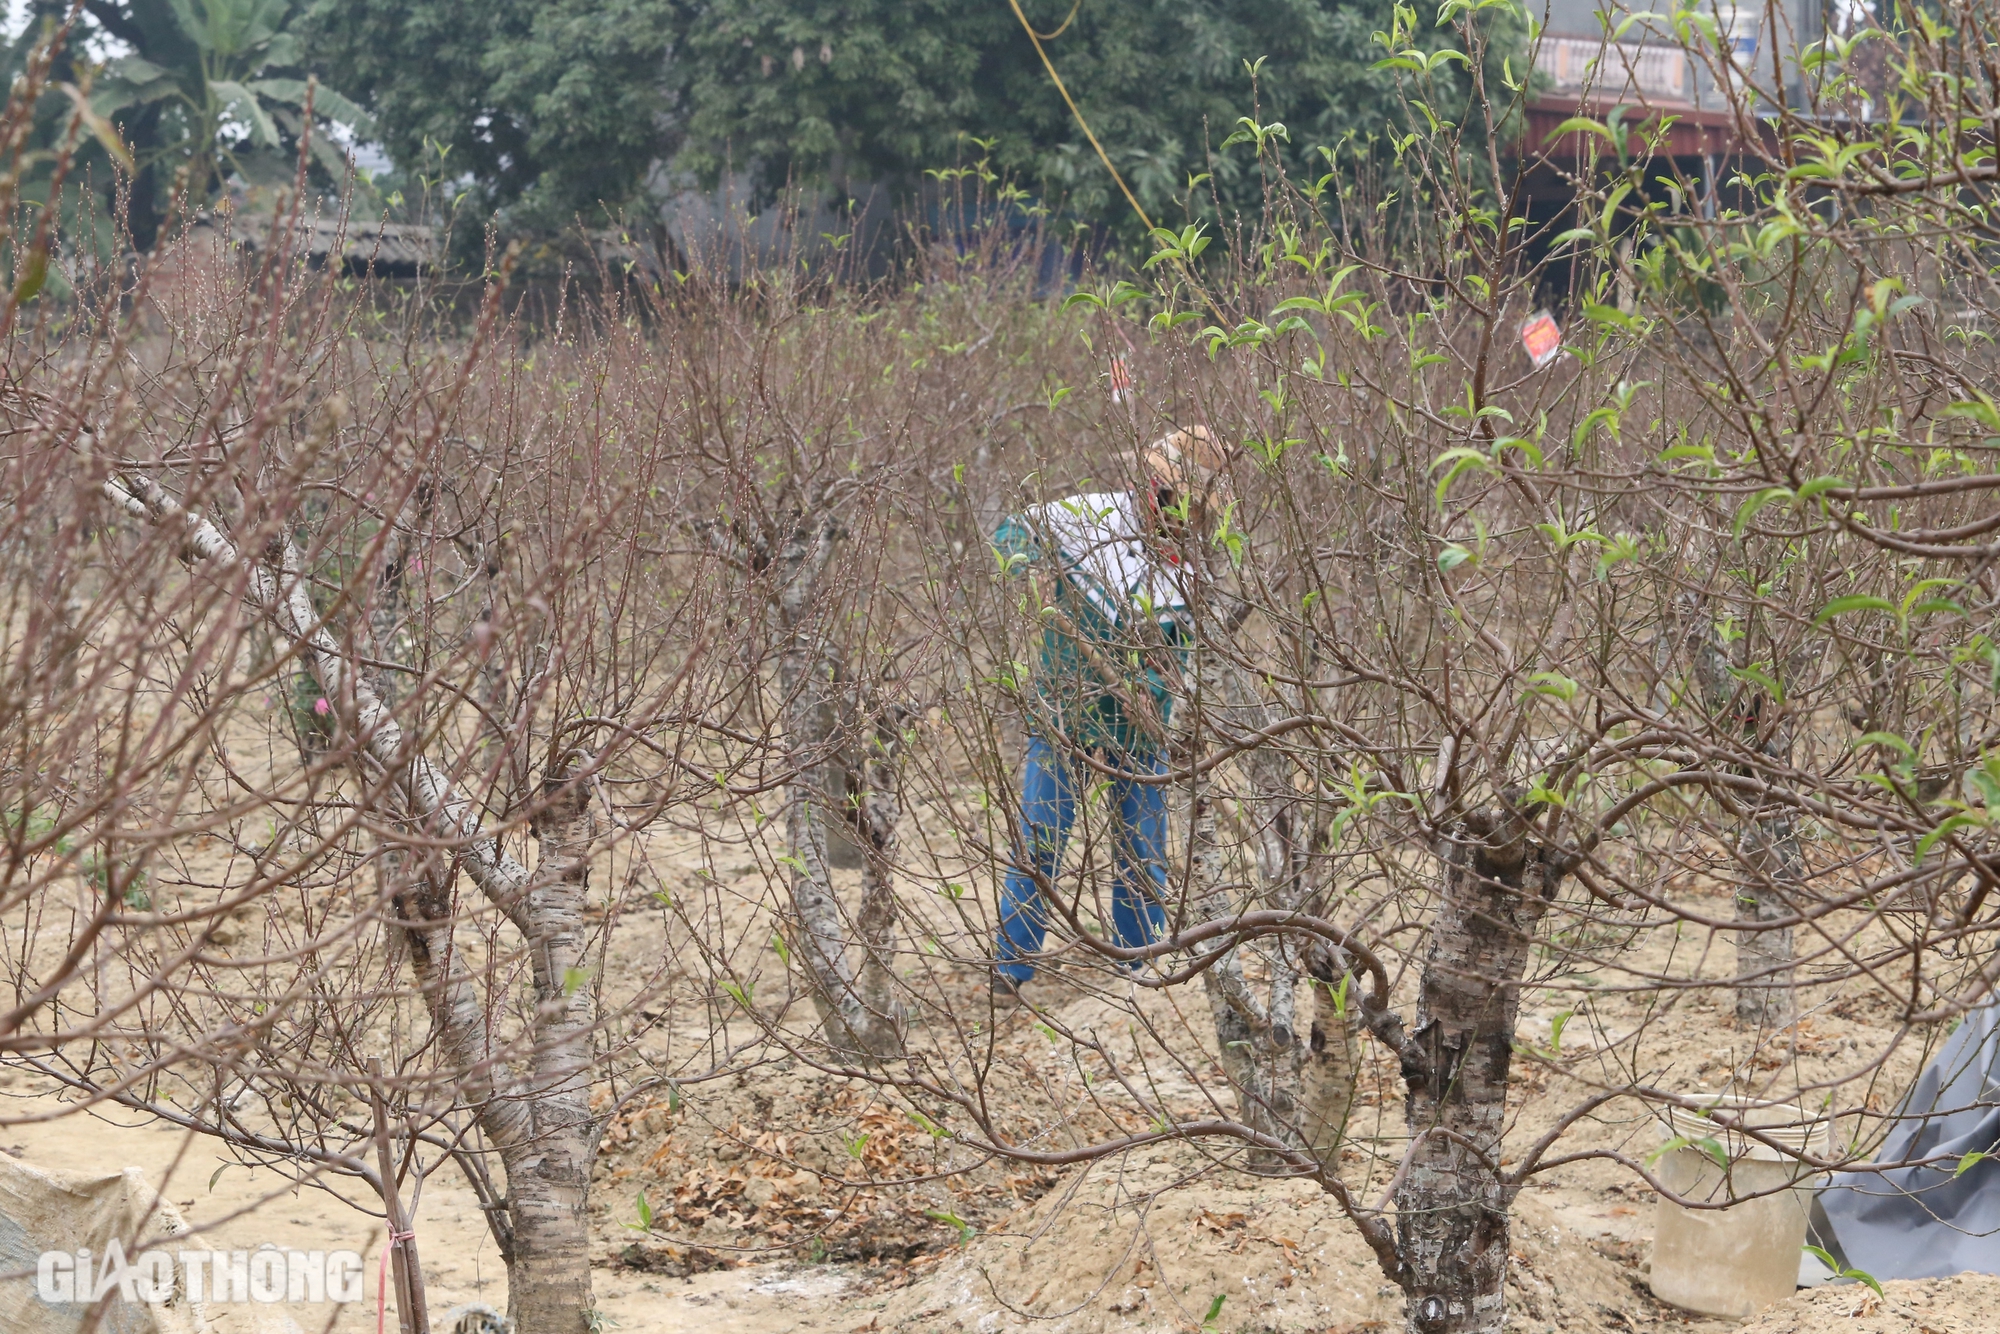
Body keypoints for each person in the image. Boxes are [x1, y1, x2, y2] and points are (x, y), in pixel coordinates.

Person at [988, 427, 1230, 1002]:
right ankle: (1011, 964)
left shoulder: (1190, 566)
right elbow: (1008, 534)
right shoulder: (1086, 518)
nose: (1181, 517)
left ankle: (1140, 962)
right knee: (1042, 837)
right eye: (1175, 502)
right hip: (1064, 708)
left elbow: (1178, 654)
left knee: (1143, 842)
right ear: (1154, 491)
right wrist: (1032, 571)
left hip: (1141, 725)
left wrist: (1151, 689)